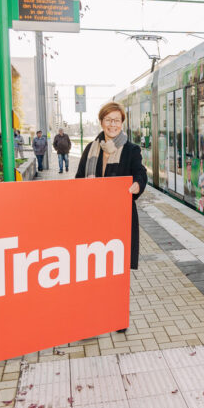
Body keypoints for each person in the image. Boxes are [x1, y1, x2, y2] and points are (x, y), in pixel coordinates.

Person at [76, 102, 148, 333]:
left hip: (119, 218)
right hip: (93, 218)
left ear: (122, 123)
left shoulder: (131, 150)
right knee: (94, 269)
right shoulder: (90, 149)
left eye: (117, 120)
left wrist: (137, 185)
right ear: (101, 122)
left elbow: (140, 173)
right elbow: (78, 178)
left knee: (118, 271)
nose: (113, 124)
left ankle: (117, 316)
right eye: (108, 120)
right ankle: (93, 317)